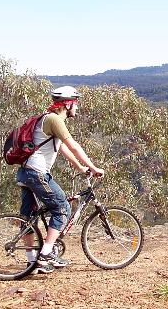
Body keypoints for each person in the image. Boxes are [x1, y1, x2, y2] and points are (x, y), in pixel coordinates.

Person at [17, 86, 104, 274]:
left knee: (29, 216)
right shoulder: (55, 119)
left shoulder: (45, 118)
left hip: (25, 172)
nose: (77, 109)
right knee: (62, 207)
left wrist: (81, 168)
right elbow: (73, 146)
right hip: (37, 172)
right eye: (76, 104)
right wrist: (94, 167)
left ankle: (31, 263)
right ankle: (46, 254)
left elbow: (62, 148)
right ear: (68, 104)